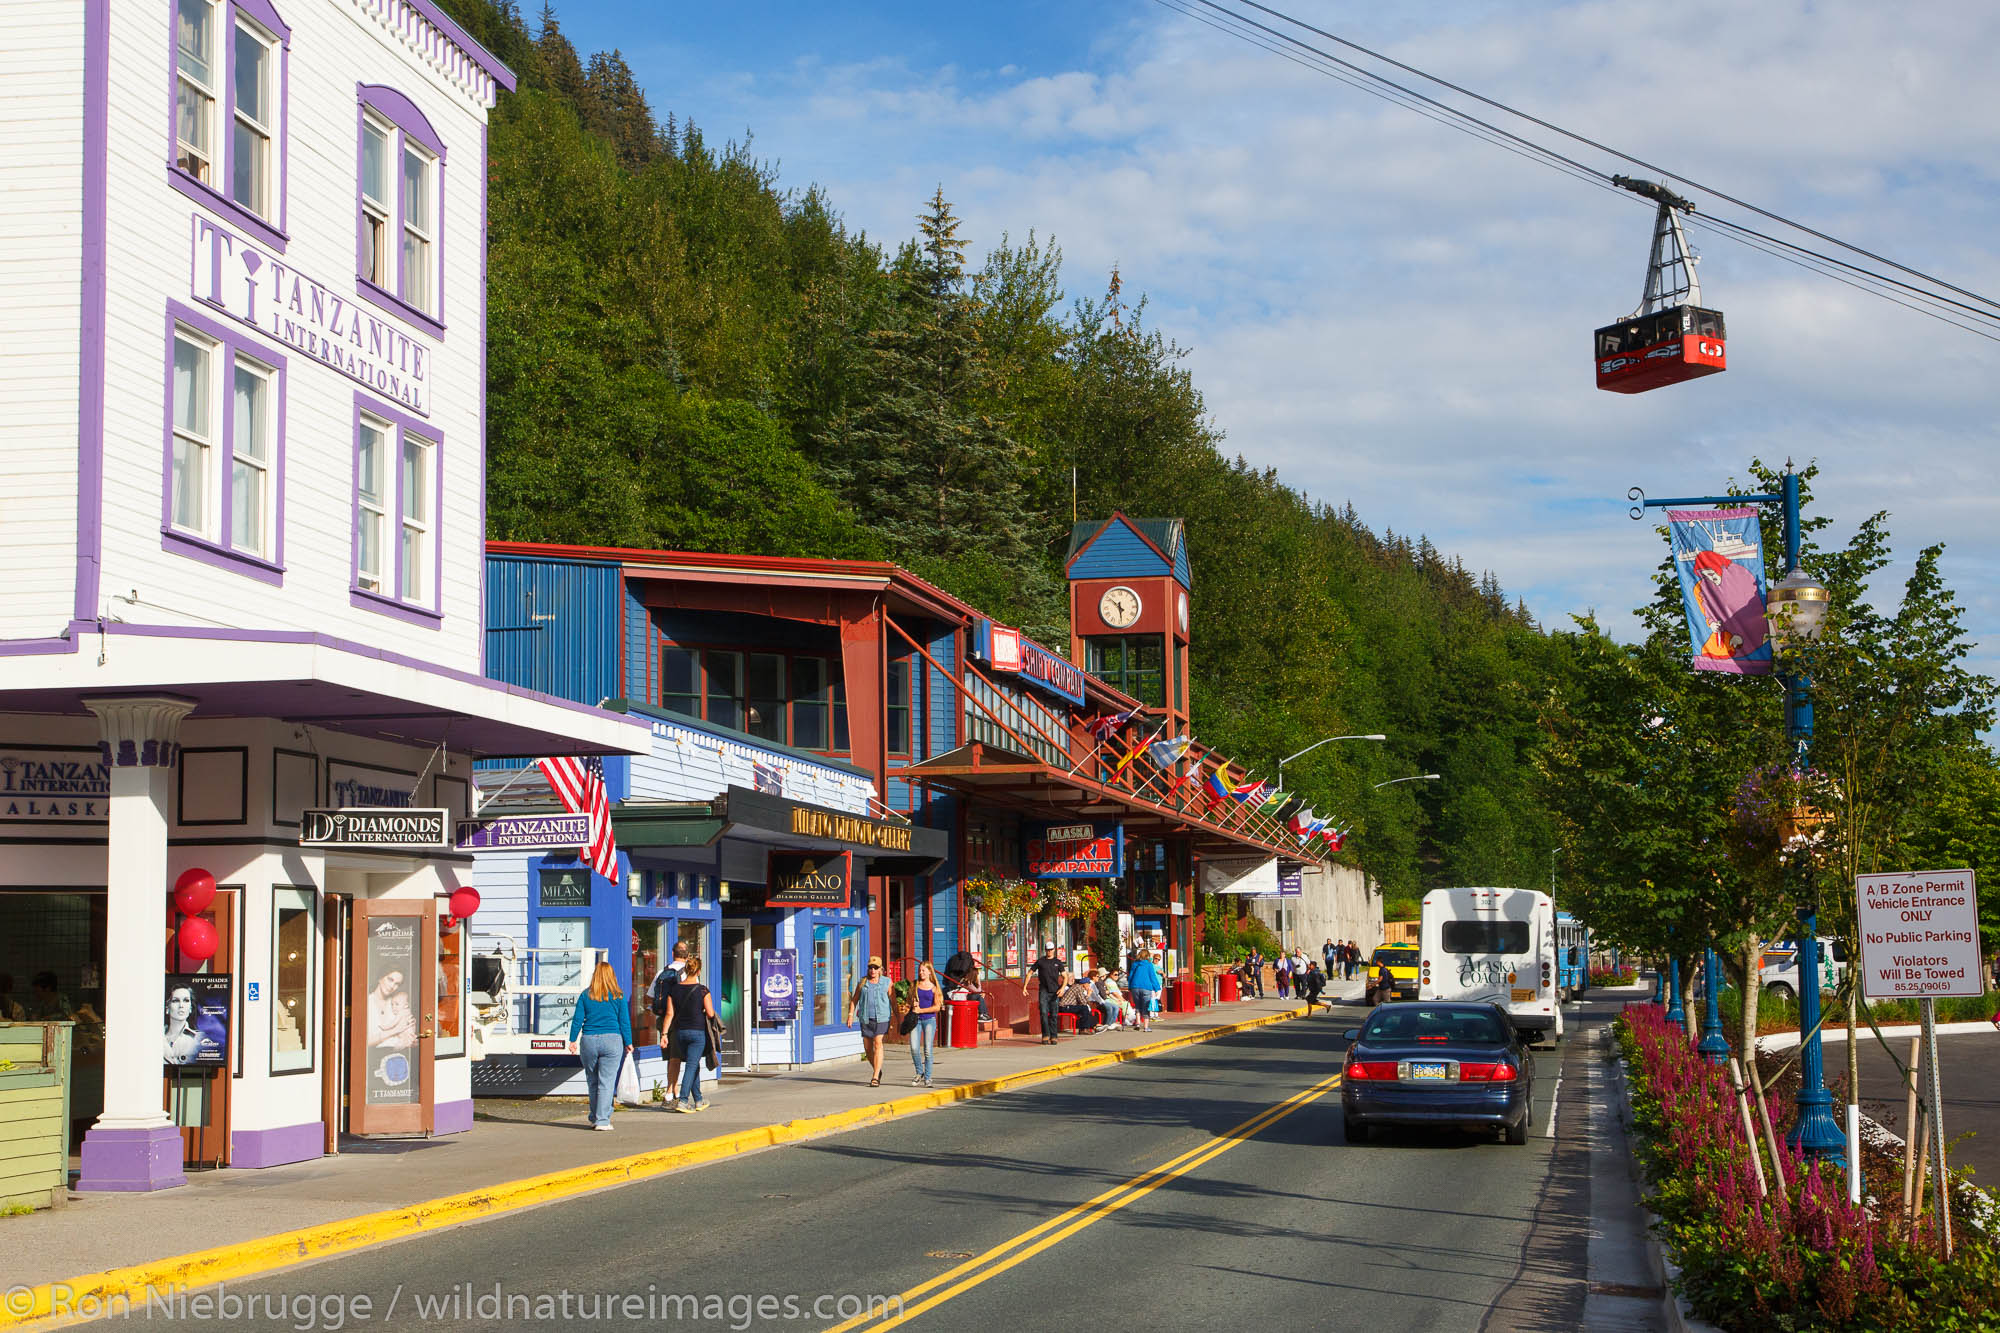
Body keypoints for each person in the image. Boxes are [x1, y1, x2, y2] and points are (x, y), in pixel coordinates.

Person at [566, 960, 633, 1130]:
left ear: (595, 975)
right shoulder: (618, 996)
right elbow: (624, 1022)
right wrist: (629, 1042)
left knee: (593, 1080)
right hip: (612, 1039)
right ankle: (602, 1120)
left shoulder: (585, 995)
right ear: (612, 976)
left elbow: (577, 1020)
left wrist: (572, 1040)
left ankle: (595, 1116)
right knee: (606, 1081)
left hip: (589, 1039)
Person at [660, 953, 716, 1112]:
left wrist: (664, 1034)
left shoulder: (675, 989)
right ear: (698, 971)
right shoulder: (702, 990)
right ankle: (683, 1100)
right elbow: (711, 1013)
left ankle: (698, 1099)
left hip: (678, 1033)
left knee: (693, 1065)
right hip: (697, 1032)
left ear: (686, 969)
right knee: (691, 1065)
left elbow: (669, 1014)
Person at [649, 940, 692, 1103]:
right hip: (680, 1019)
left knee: (671, 1055)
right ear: (687, 955)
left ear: (673, 954)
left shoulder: (663, 971)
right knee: (676, 1056)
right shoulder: (687, 973)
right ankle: (670, 1090)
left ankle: (673, 1088)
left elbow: (651, 995)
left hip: (663, 1019)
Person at [848, 956, 894, 1085]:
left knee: (878, 1043)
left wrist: (898, 1018)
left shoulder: (887, 982)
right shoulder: (862, 982)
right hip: (866, 1018)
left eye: (875, 968)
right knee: (868, 1049)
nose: (873, 970)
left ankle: (875, 1077)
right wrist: (851, 1015)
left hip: (882, 1017)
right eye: (870, 968)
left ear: (880, 969)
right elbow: (854, 999)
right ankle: (877, 1069)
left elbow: (893, 1001)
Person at [908, 960, 942, 1087]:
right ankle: (919, 1072)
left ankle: (928, 1078)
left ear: (929, 972)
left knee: (928, 1050)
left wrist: (921, 1010)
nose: (921, 973)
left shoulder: (934, 988)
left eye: (923, 970)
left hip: (929, 1020)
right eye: (919, 970)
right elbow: (908, 1001)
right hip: (915, 1020)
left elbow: (937, 1007)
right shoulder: (914, 985)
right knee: (914, 1048)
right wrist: (912, 1004)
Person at [366, 969, 416, 1049]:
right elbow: (361, 1043)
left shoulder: (397, 1002)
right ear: (380, 978)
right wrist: (396, 1030)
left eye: (397, 984)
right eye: (390, 980)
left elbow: (408, 1029)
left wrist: (412, 1039)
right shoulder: (366, 1003)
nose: (392, 986)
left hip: (399, 1053)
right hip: (374, 1056)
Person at [1028, 950, 1067, 1044]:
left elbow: (1065, 977)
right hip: (1044, 990)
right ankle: (1045, 1035)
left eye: (1051, 950)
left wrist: (1062, 989)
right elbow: (1030, 972)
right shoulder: (1041, 961)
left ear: (1053, 950)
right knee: (1043, 1012)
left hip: (1055, 991)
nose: (1049, 951)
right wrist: (1025, 987)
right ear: (1045, 950)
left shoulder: (1058, 962)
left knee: (1054, 1014)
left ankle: (1054, 1036)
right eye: (1047, 950)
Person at [164, 984, 202, 1064]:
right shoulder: (152, 1037)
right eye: (175, 1001)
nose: (181, 1006)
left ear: (191, 1008)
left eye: (186, 1000)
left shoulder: (201, 1039)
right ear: (167, 1007)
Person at [1127, 950, 1161, 1032]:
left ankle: (1138, 1023)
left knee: (1137, 1005)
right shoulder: (1149, 965)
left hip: (1135, 987)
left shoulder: (1135, 964)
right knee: (1145, 1007)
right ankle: (1146, 1027)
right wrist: (1157, 988)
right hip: (1146, 987)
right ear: (1147, 956)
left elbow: (1130, 976)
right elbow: (1152, 977)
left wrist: (1130, 986)